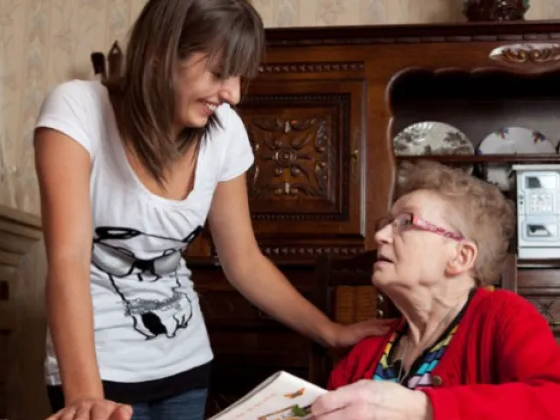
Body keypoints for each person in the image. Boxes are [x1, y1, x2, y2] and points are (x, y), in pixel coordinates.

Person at [33, 1, 391, 420]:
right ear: (159, 54)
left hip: (186, 371)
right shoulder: (78, 109)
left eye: (240, 77)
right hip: (95, 377)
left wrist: (330, 332)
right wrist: (84, 398)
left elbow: (244, 262)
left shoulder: (225, 132)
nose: (233, 94)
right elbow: (67, 260)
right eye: (220, 73)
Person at [309, 160, 560, 420]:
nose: (380, 236)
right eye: (386, 222)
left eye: (405, 222)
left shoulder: (503, 316)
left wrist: (423, 409)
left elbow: (553, 401)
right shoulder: (366, 354)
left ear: (460, 257)